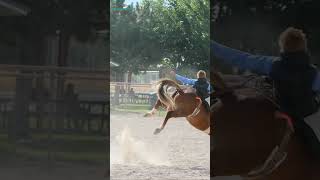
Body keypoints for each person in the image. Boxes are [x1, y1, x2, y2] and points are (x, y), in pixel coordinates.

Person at [211, 27, 320, 158]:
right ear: (304, 46)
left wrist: (210, 44)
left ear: (282, 46)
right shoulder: (314, 73)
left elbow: (241, 58)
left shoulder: (272, 64)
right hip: (307, 115)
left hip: (281, 110)